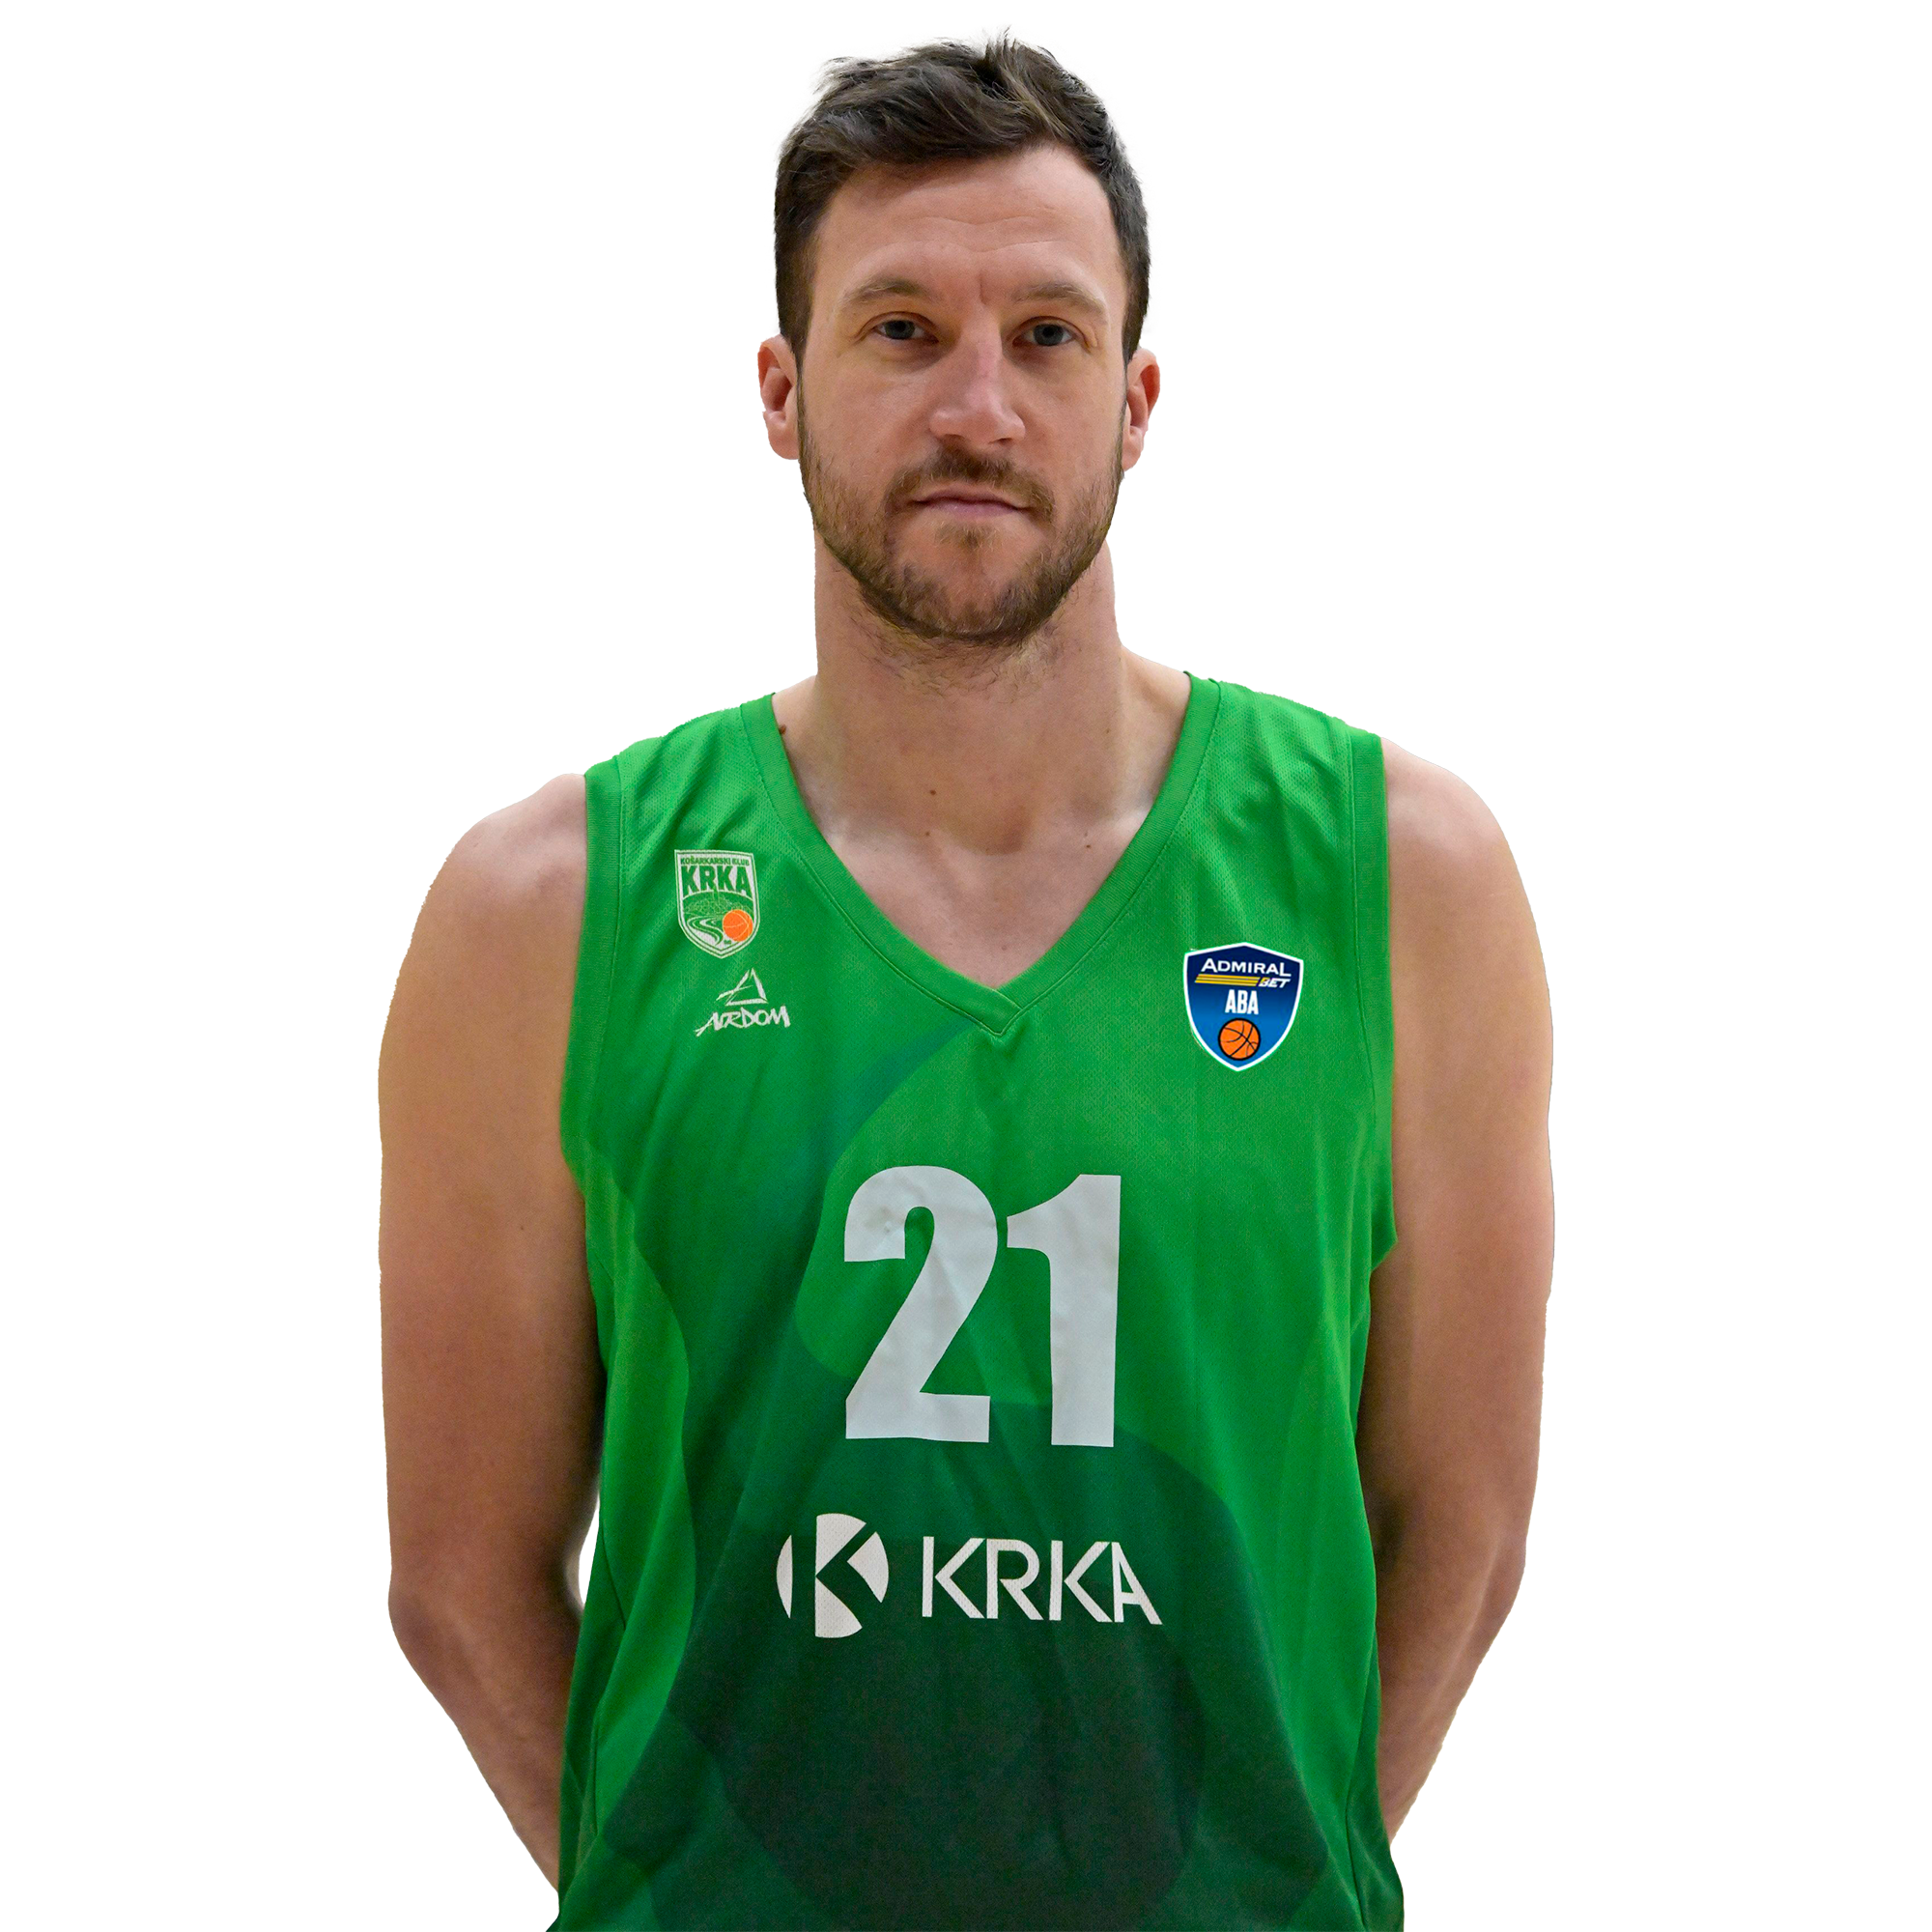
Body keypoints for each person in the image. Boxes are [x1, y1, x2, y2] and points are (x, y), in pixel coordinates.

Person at [380, 30, 1551, 1932]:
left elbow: (1468, 1523)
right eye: (901, 330)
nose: (977, 407)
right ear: (780, 394)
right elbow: (454, 1571)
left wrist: (1252, 1883)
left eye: (1048, 336)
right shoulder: (549, 907)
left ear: (1139, 401)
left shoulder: (1406, 878)